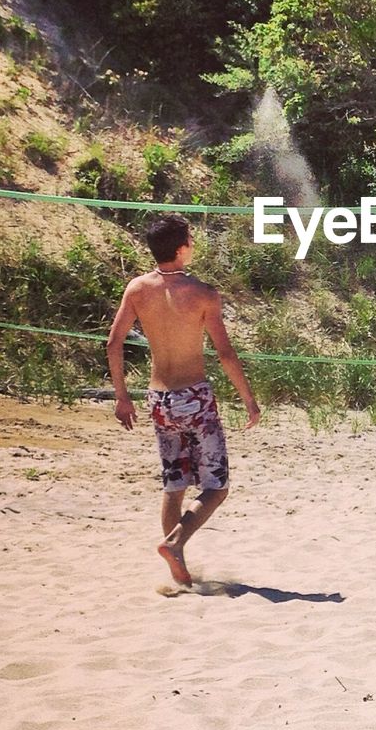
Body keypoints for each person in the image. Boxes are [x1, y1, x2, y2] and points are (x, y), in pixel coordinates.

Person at [107, 214, 261, 585]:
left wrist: (122, 398)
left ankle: (178, 573)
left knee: (174, 485)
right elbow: (225, 353)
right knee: (216, 487)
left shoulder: (137, 289)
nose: (193, 243)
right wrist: (249, 400)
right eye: (190, 239)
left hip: (158, 398)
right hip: (194, 397)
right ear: (180, 249)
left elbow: (114, 344)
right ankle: (175, 544)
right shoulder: (203, 294)